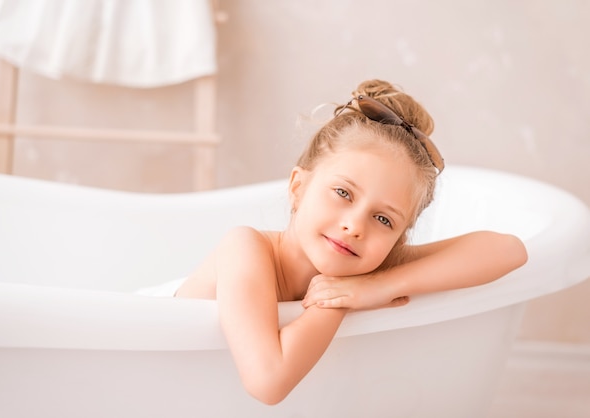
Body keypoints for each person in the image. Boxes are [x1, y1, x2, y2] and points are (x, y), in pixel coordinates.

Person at [174, 79, 528, 405]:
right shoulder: (244, 248)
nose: (355, 226)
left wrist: (380, 285)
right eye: (343, 192)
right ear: (298, 187)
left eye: (384, 219)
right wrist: (341, 300)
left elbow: (510, 250)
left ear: (397, 238)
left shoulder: (368, 267)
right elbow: (269, 382)